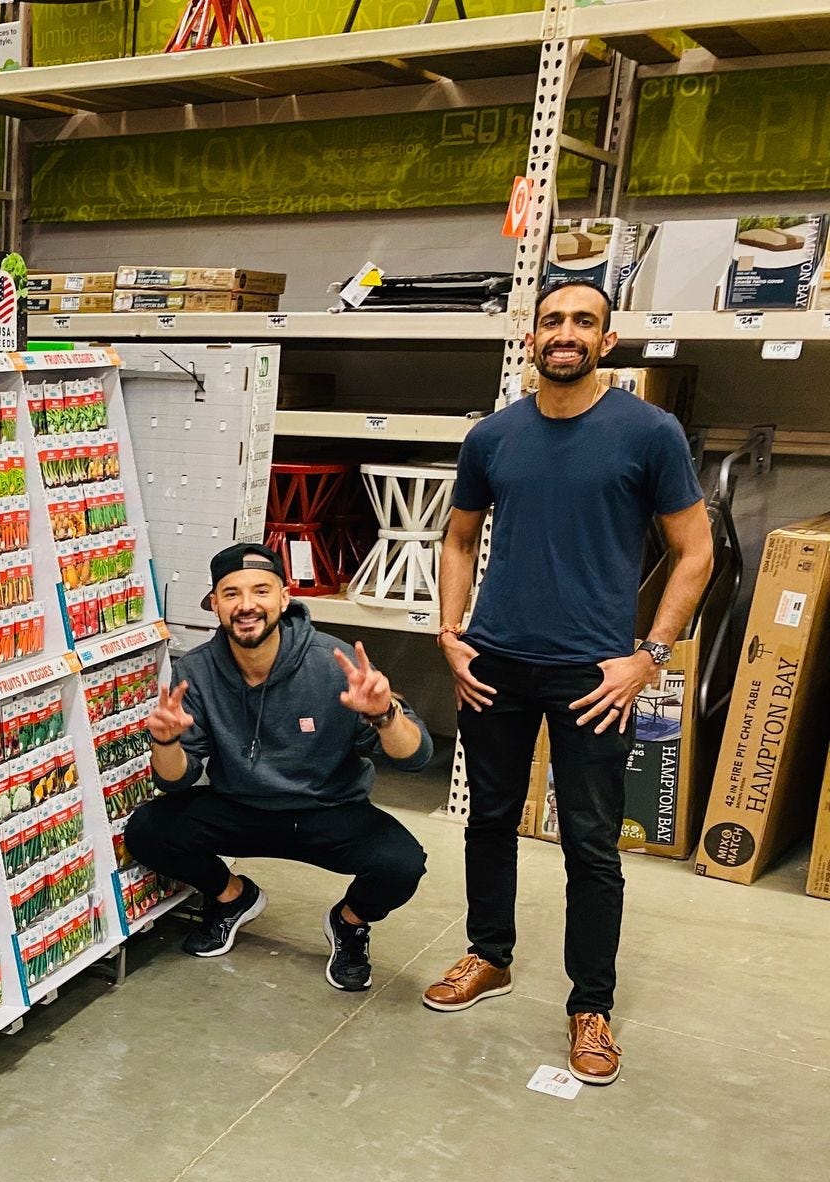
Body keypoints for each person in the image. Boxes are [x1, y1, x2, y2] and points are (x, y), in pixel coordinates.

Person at [427, 276, 712, 1086]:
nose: (566, 332)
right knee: (489, 818)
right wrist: (451, 634)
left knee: (591, 844)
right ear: (532, 337)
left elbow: (696, 552)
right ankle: (490, 956)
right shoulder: (493, 437)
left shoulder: (647, 433)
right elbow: (458, 539)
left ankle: (591, 1008)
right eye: (552, 319)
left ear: (606, 340)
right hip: (495, 665)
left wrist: (649, 657)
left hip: (595, 675)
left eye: (583, 321)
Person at [125, 543, 435, 992]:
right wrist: (165, 741)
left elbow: (418, 758)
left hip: (327, 810)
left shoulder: (333, 663)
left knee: (402, 864)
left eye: (260, 591)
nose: (246, 604)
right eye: (231, 594)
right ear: (214, 604)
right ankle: (233, 897)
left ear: (284, 598)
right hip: (240, 806)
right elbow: (176, 780)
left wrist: (385, 714)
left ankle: (348, 923)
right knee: (148, 830)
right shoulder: (197, 670)